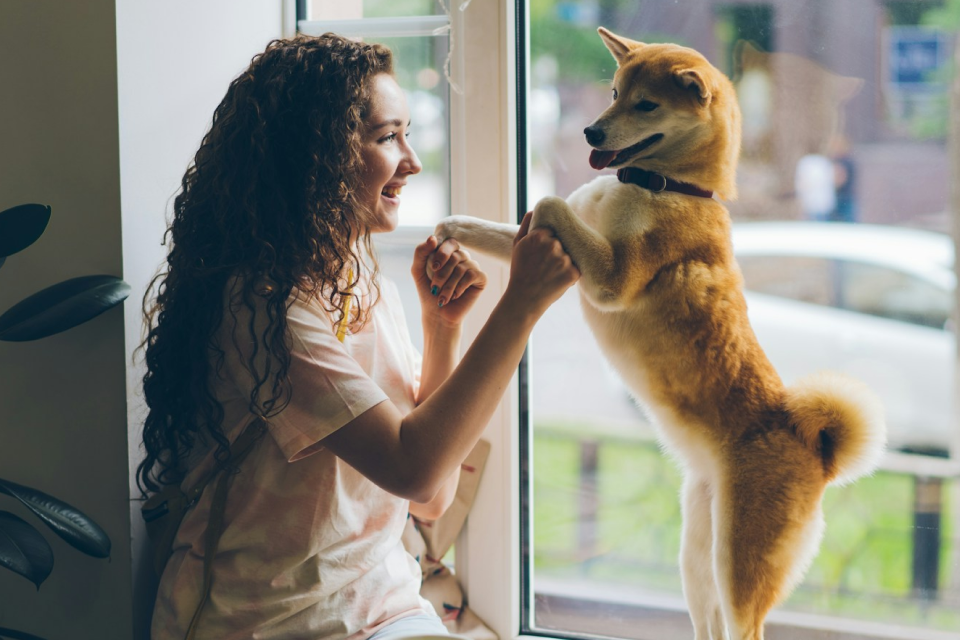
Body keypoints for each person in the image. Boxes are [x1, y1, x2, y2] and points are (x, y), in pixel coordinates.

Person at [137, 34, 579, 640]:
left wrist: (442, 327)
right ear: (314, 154)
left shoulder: (364, 285)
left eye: (407, 134)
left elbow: (431, 498)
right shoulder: (262, 308)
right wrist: (521, 305)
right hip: (274, 622)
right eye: (387, 137)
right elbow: (414, 471)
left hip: (381, 606)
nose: (412, 161)